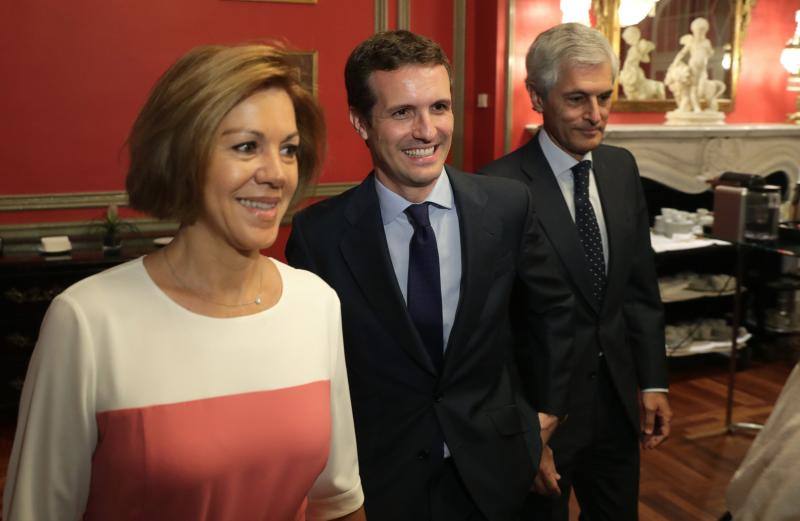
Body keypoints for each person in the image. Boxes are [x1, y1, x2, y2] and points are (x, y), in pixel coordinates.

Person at [2, 44, 365, 521]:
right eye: (246, 147)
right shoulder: (88, 322)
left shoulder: (315, 304)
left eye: (289, 149)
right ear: (182, 155)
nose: (277, 174)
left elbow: (337, 502)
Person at [286, 30, 574, 521]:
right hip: (382, 483)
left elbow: (551, 316)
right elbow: (314, 375)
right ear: (361, 122)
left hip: (500, 476)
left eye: (439, 107)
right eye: (403, 112)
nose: (427, 131)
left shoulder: (507, 206)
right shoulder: (320, 235)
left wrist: (543, 422)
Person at [480, 23, 672, 521]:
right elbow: (493, 332)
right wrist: (526, 430)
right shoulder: (496, 189)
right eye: (577, 99)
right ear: (536, 96)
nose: (596, 114)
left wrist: (653, 382)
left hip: (617, 404)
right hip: (545, 413)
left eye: (605, 97)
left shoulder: (621, 168)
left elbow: (639, 289)